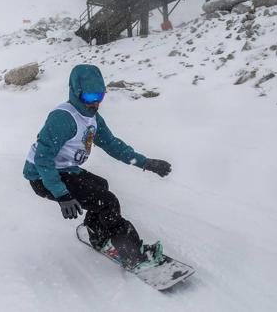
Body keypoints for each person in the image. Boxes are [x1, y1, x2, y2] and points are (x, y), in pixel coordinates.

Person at [23, 64, 172, 272]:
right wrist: (61, 194)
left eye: (99, 96)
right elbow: (42, 159)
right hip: (42, 176)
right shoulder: (63, 118)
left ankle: (98, 235)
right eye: (90, 96)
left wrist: (145, 163)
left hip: (64, 169)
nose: (95, 103)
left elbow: (112, 144)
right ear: (76, 92)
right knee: (107, 202)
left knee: (101, 185)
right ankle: (134, 256)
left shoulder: (92, 118)